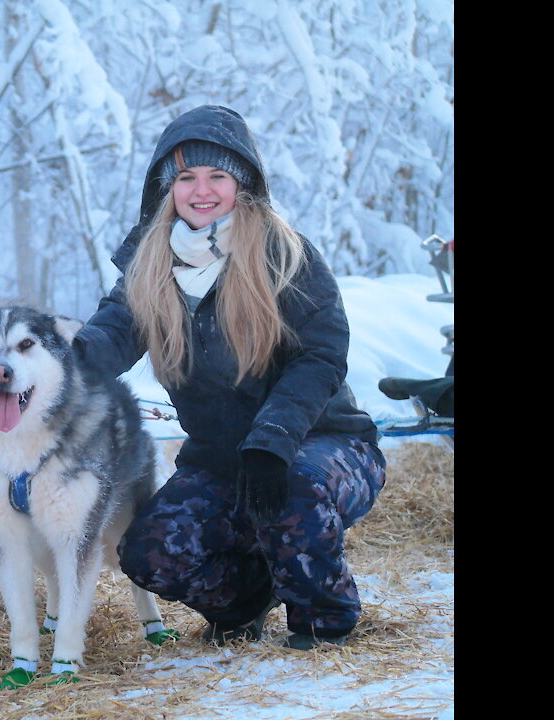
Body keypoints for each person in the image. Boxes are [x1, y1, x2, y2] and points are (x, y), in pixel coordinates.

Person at [74, 105, 384, 651]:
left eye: (218, 175)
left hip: (321, 444)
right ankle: (247, 600)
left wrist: (273, 442)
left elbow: (322, 356)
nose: (201, 190)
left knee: (292, 489)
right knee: (151, 549)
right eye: (186, 177)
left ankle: (322, 621)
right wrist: (62, 360)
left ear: (243, 184)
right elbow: (113, 331)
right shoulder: (149, 262)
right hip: (220, 459)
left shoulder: (285, 254)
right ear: (165, 188)